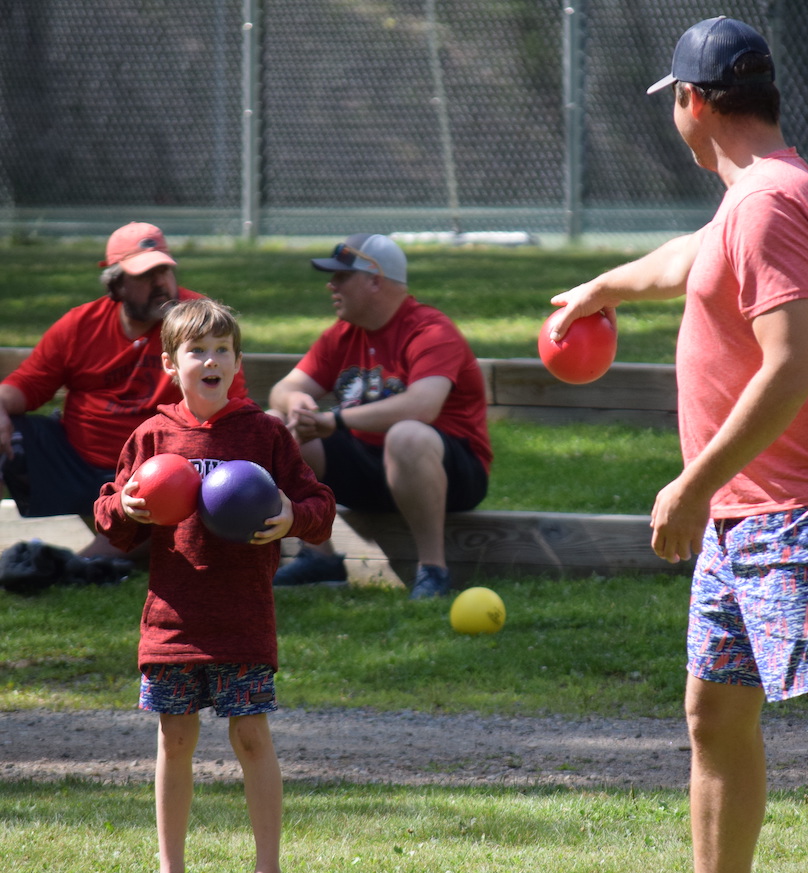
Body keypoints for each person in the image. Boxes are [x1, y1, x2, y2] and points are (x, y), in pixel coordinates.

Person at [551, 17, 808, 873]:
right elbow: (693, 259)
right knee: (715, 716)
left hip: (804, 511)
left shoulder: (772, 202)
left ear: (693, 102)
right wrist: (604, 287)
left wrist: (692, 485)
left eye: (673, 101)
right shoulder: (754, 195)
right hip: (746, 517)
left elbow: (793, 366)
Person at [94, 298, 336, 873]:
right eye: (196, 350)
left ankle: (267, 864)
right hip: (173, 623)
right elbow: (109, 516)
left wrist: (289, 518)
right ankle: (169, 865)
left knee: (251, 738)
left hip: (243, 619)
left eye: (222, 350)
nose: (211, 360)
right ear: (170, 365)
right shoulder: (153, 436)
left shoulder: (265, 434)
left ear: (236, 361)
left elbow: (319, 507)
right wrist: (126, 506)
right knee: (175, 740)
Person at [0, 222, 248, 581]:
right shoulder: (80, 325)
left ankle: (76, 565)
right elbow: (27, 385)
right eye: (147, 274)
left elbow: (230, 407)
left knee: (193, 466)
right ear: (116, 284)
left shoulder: (199, 324)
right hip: (78, 462)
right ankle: (84, 562)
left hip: (162, 471)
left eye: (165, 270)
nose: (162, 283)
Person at [267, 233, 492, 599]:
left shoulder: (430, 330)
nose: (331, 284)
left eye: (341, 277)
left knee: (407, 435)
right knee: (275, 425)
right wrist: (296, 403)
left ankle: (433, 570)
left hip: (450, 471)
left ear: (375, 280)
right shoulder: (342, 335)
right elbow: (284, 388)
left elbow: (422, 407)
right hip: (369, 466)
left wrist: (335, 420)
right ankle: (319, 556)